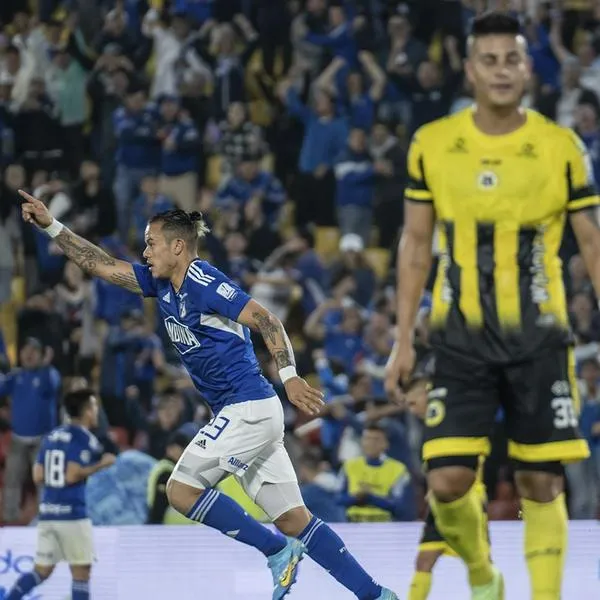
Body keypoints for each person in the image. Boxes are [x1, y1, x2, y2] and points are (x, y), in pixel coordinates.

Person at [19, 194, 398, 600]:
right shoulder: (161, 283)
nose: (145, 252)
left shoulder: (203, 281)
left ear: (177, 246)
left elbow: (267, 320)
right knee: (294, 519)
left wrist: (289, 375)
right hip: (250, 414)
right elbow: (101, 265)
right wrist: (51, 226)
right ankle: (376, 595)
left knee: (180, 491)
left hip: (247, 407)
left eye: (151, 243)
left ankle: (276, 552)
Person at [385, 11, 597, 600]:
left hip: (540, 341)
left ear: (528, 68)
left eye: (512, 59)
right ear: (469, 69)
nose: (502, 70)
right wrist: (404, 340)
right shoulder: (433, 145)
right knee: (448, 481)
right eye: (490, 59)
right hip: (458, 341)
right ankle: (483, 573)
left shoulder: (561, 148)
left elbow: (593, 243)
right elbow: (416, 244)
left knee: (540, 482)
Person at [5, 388, 116, 600]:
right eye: (93, 406)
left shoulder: (51, 436)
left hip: (48, 514)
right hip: (72, 514)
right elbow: (72, 475)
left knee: (41, 571)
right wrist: (101, 464)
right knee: (81, 574)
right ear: (86, 411)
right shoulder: (84, 439)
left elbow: (37, 476)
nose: (96, 411)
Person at [403, 359, 490, 600]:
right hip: (439, 503)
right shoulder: (427, 431)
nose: (412, 410)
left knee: (479, 560)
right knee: (424, 559)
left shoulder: (455, 419)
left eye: (413, 402)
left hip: (469, 498)